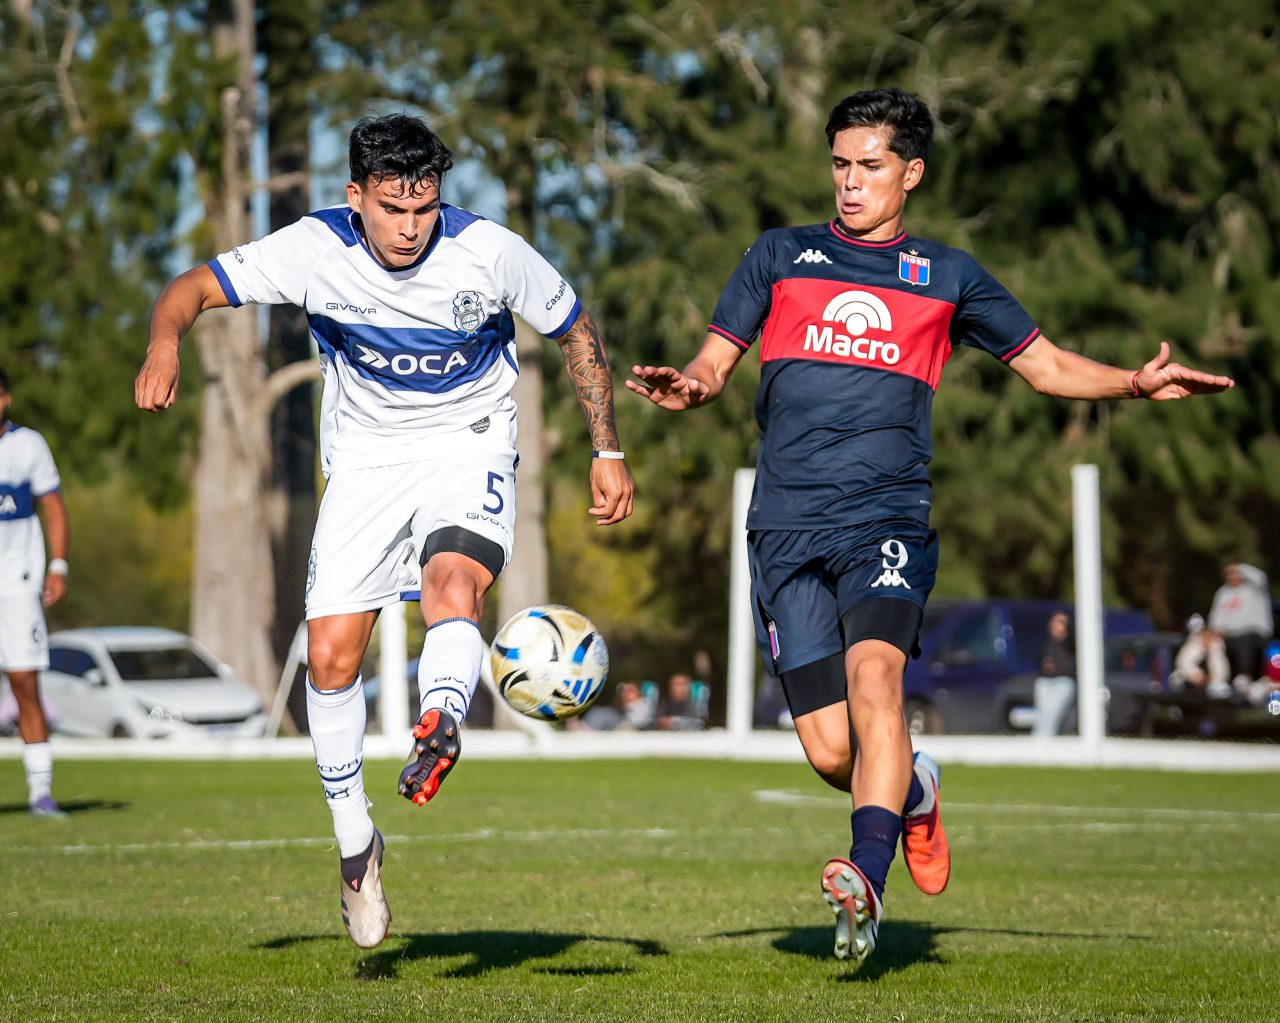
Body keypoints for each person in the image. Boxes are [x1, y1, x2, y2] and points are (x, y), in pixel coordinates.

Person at [627, 87, 1234, 966]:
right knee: (831, 750)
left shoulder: (947, 276)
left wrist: (1135, 383)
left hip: (886, 517)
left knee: (878, 683)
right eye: (840, 164)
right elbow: (713, 365)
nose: (850, 181)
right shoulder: (779, 255)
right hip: (785, 525)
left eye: (870, 165)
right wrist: (688, 386)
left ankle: (866, 875)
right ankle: (916, 793)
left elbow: (1048, 367)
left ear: (910, 173)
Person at [134, 114, 634, 948]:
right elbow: (191, 287)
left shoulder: (489, 251)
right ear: (355, 196)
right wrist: (164, 344)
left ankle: (441, 720)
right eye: (393, 209)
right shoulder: (312, 248)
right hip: (365, 462)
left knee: (452, 582)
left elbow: (575, 328)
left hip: (469, 441)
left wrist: (606, 449)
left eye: (424, 208)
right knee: (330, 656)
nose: (410, 227)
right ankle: (356, 845)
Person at [0, 367, 70, 817]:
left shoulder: (28, 445)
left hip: (17, 581)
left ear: (5, 398)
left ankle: (40, 791)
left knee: (24, 682)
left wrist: (58, 566)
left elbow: (53, 507)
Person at [1207, 563, 1272, 683]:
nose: (1232, 576)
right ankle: (1217, 680)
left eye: (1235, 572)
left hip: (1252, 633)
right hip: (1228, 635)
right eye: (1229, 573)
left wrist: (1240, 567)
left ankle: (1245, 677)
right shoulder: (1223, 592)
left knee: (1244, 641)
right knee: (1210, 643)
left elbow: (1260, 576)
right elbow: (1216, 615)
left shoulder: (1254, 588)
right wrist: (1216, 629)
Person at [1031, 611, 1076, 737]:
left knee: (1052, 712)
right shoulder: (1045, 643)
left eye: (1062, 622)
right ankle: (1041, 739)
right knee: (1043, 714)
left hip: (1063, 682)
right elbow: (1038, 661)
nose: (1057, 626)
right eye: (1055, 622)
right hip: (1045, 681)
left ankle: (1041, 740)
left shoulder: (1070, 643)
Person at [1170, 615, 1232, 698]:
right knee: (1178, 677)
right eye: (1204, 635)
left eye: (1209, 636)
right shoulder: (1193, 644)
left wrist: (1215, 679)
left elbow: (1222, 669)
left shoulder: (1217, 645)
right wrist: (1196, 675)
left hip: (1210, 684)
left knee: (1218, 686)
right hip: (1190, 681)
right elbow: (1182, 662)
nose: (1207, 639)